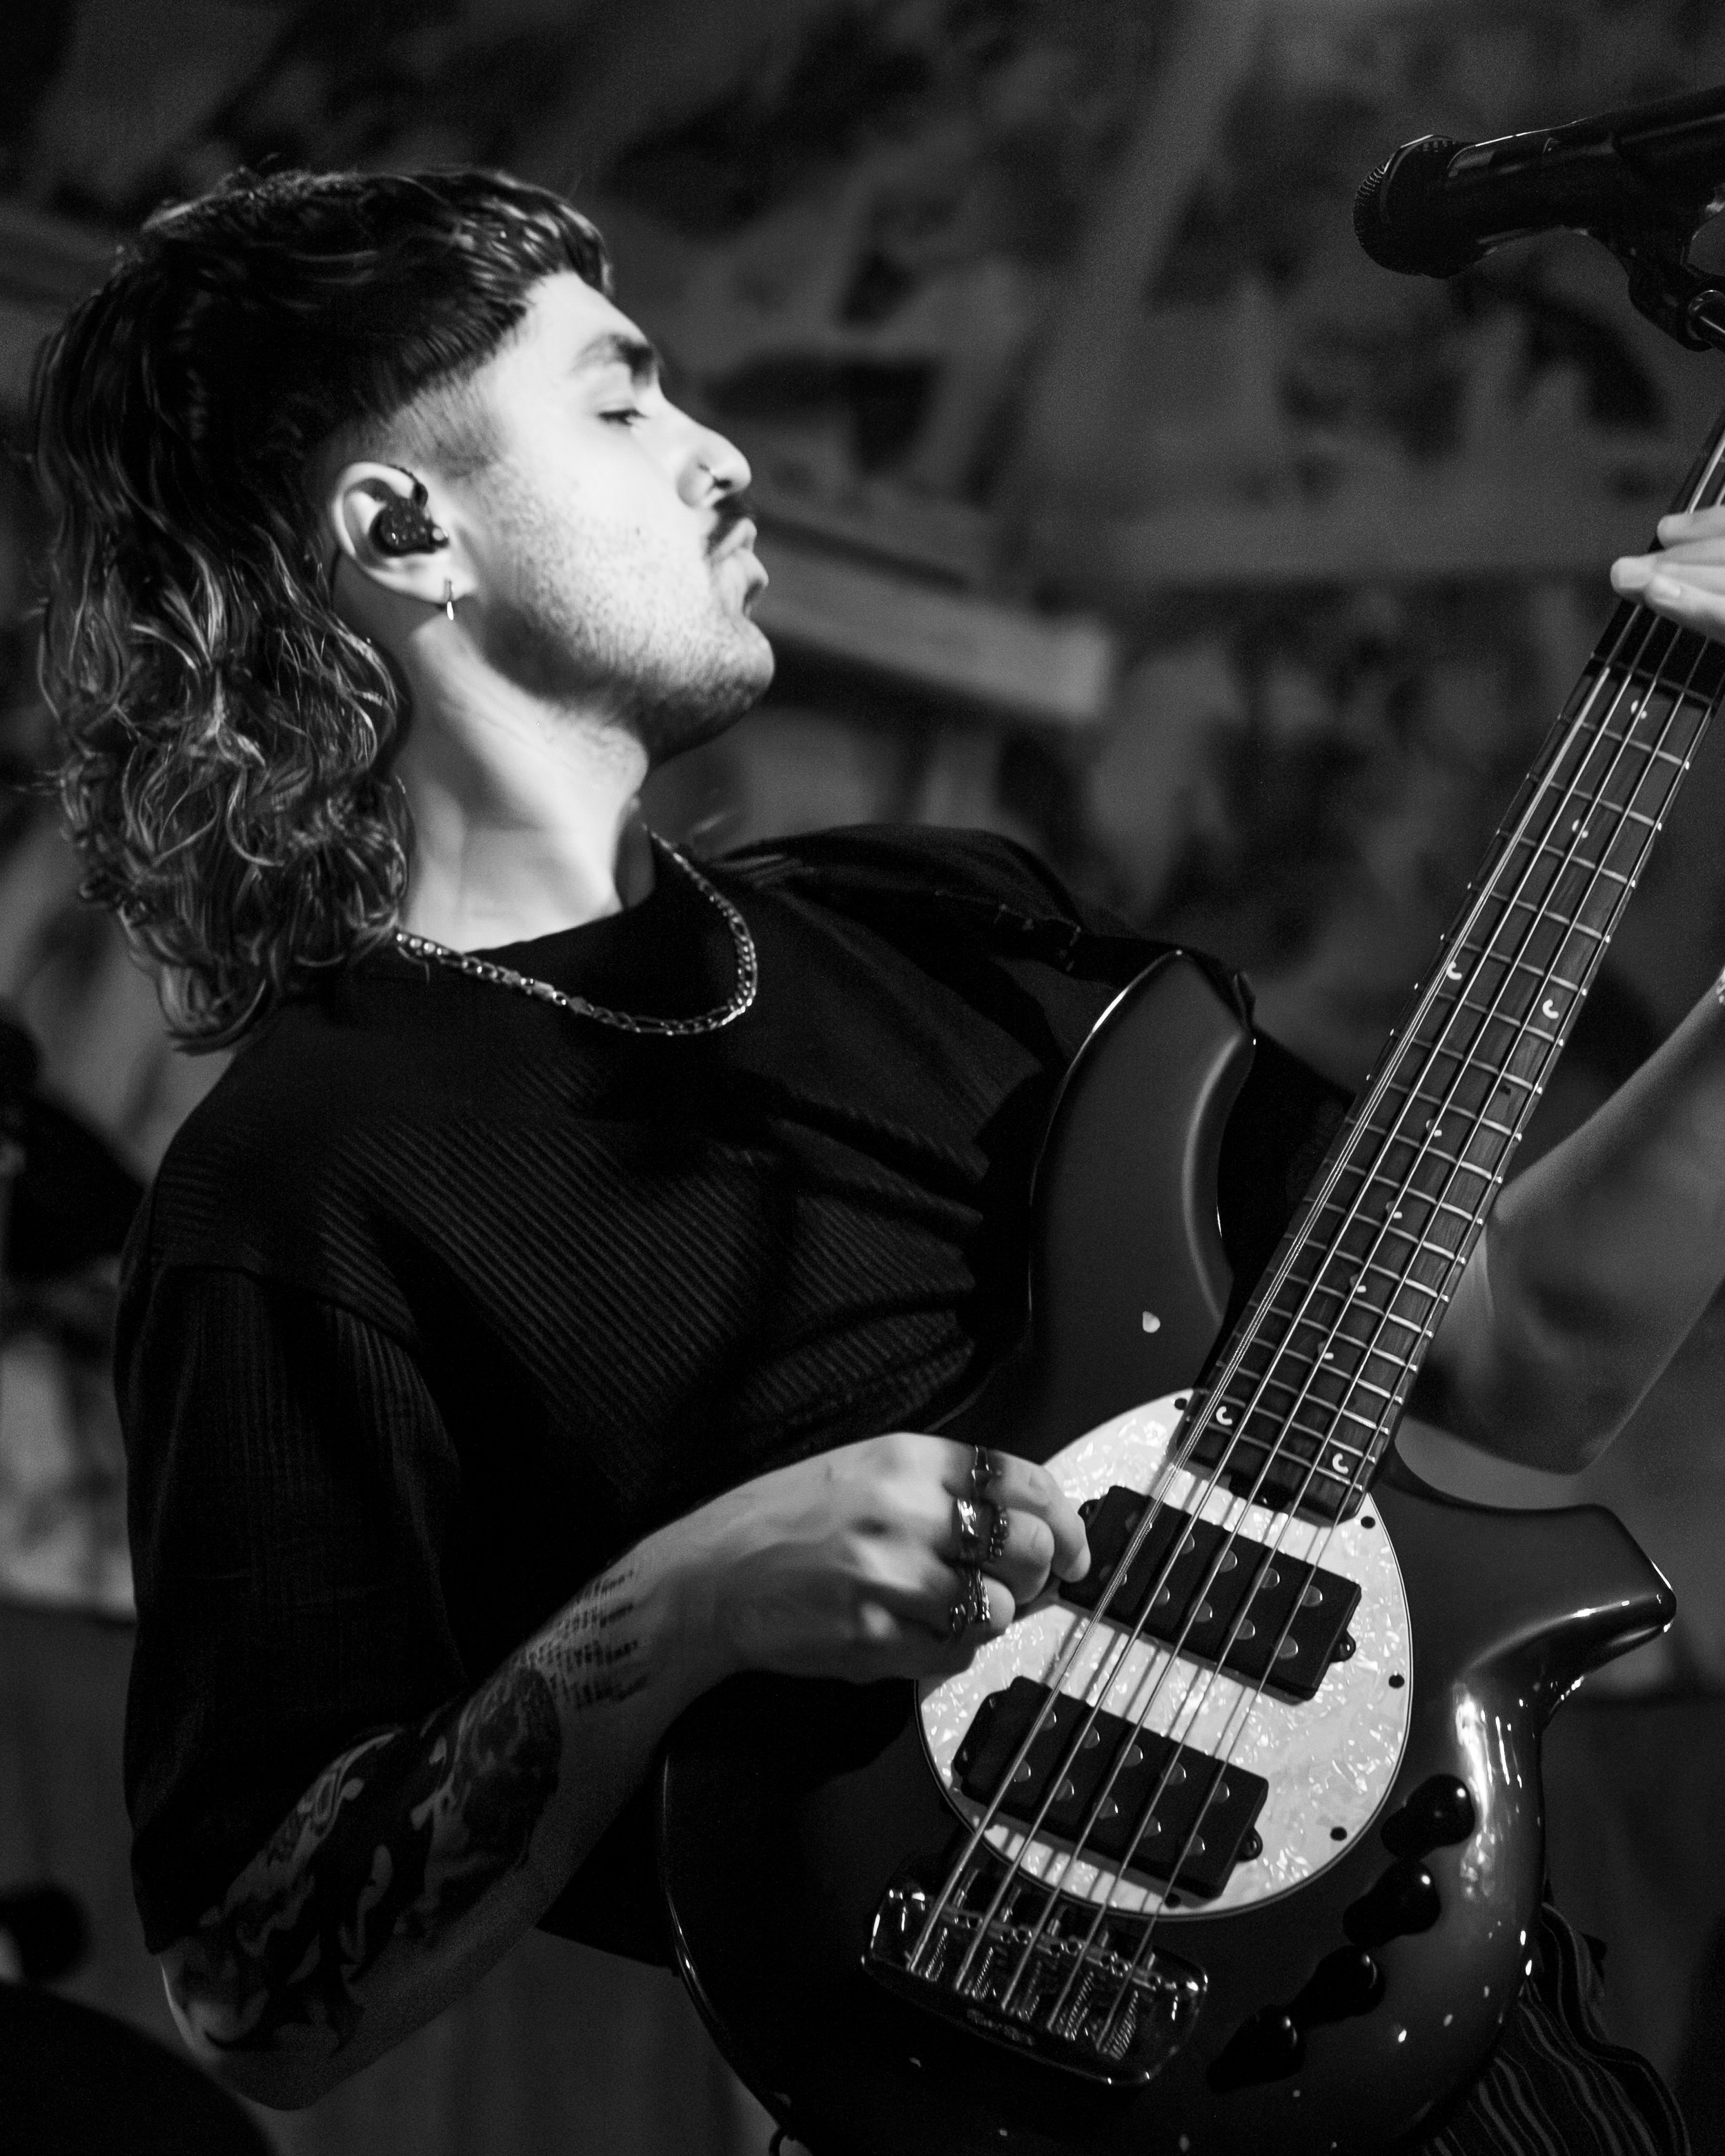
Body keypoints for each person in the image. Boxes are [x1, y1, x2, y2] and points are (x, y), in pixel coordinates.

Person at [29, 167, 1725, 2150]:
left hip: (1506, 2089)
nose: (721, 453)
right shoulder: (301, 1183)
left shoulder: (952, 921)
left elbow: (1518, 1351)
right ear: (407, 530)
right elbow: (256, 1991)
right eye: (620, 400)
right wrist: (693, 1598)